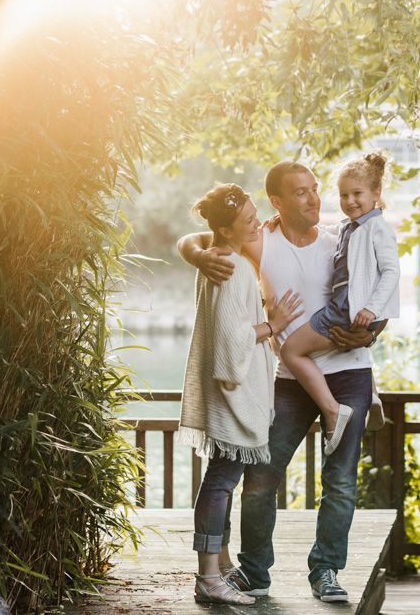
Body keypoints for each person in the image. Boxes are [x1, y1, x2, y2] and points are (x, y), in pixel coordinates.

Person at [177, 160, 383, 603]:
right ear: (278, 202)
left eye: (314, 189)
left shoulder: (339, 240)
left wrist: (372, 330)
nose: (314, 198)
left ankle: (325, 571)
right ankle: (253, 573)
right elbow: (201, 237)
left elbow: (378, 285)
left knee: (341, 482)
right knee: (260, 477)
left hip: (348, 374)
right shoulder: (260, 240)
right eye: (302, 192)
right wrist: (197, 255)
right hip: (289, 380)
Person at [178, 183, 304, 605]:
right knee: (220, 482)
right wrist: (273, 322)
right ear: (227, 230)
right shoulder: (230, 268)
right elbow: (232, 344)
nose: (257, 222)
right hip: (232, 399)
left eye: (254, 214)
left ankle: (220, 566)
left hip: (225, 399)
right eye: (248, 220)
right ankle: (209, 578)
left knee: (221, 479)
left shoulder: (218, 257)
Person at [279, 152, 400, 457]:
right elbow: (325, 234)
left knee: (290, 350)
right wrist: (278, 221)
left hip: (347, 310)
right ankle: (370, 395)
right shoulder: (351, 227)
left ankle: (333, 411)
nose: (350, 201)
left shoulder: (378, 228)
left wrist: (372, 310)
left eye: (357, 194)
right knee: (332, 346)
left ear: (376, 194)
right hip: (348, 308)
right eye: (344, 195)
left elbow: (391, 272)